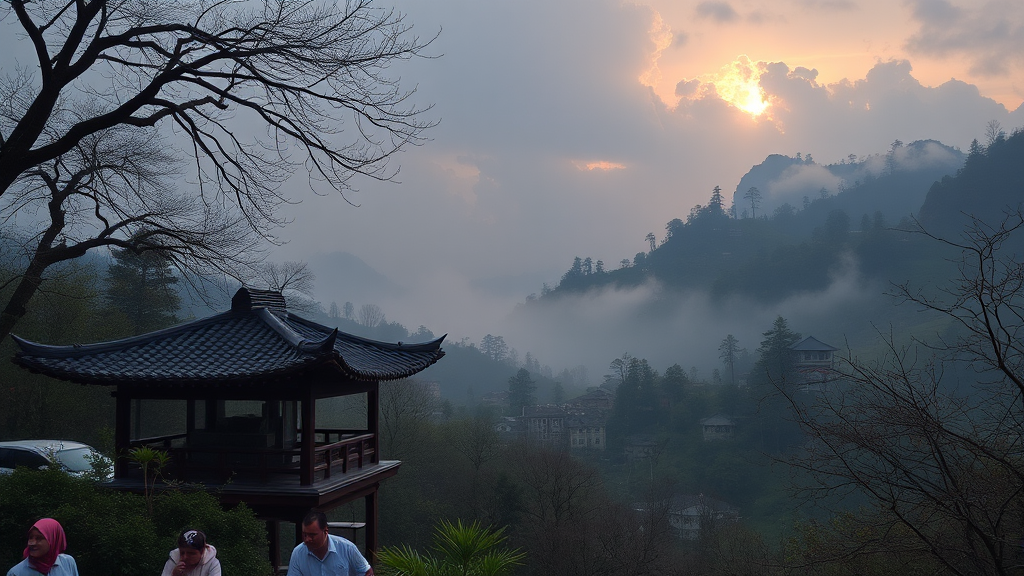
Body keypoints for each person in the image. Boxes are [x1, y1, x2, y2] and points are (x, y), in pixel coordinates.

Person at [287, 511, 373, 576]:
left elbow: (367, 572)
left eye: (312, 535)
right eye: (304, 534)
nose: (307, 539)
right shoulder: (298, 553)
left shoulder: (347, 548)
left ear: (325, 531)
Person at [7, 518, 79, 576]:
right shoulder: (16, 573)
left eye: (39, 538)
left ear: (53, 540)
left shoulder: (67, 562)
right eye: (30, 537)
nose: (32, 543)